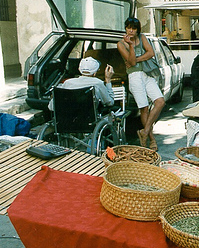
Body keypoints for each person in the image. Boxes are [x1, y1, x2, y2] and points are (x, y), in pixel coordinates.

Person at [117, 17, 165, 151]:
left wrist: (137, 59)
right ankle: (151, 139)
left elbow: (151, 53)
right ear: (125, 28)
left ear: (138, 30)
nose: (131, 31)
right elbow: (131, 63)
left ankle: (144, 131)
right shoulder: (121, 44)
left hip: (146, 74)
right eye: (129, 28)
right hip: (134, 76)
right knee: (144, 108)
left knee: (160, 101)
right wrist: (131, 46)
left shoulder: (142, 37)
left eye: (134, 28)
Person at [48, 57, 114, 111]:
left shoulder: (67, 83)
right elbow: (110, 102)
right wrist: (108, 79)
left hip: (66, 121)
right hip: (88, 121)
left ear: (79, 69)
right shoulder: (97, 83)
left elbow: (51, 107)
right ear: (95, 73)